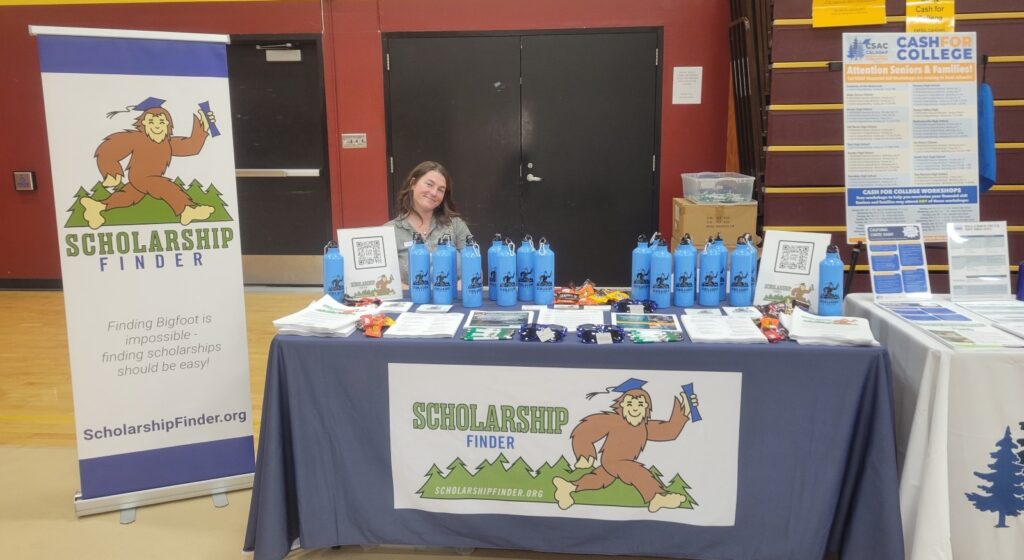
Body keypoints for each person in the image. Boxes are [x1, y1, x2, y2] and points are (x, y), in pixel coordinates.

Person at [386, 161, 473, 282]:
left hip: (451, 300)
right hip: (408, 300)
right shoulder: (388, 231)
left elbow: (475, 270)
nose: (433, 193)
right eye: (429, 184)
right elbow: (383, 281)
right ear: (413, 184)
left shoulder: (456, 225)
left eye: (441, 190)